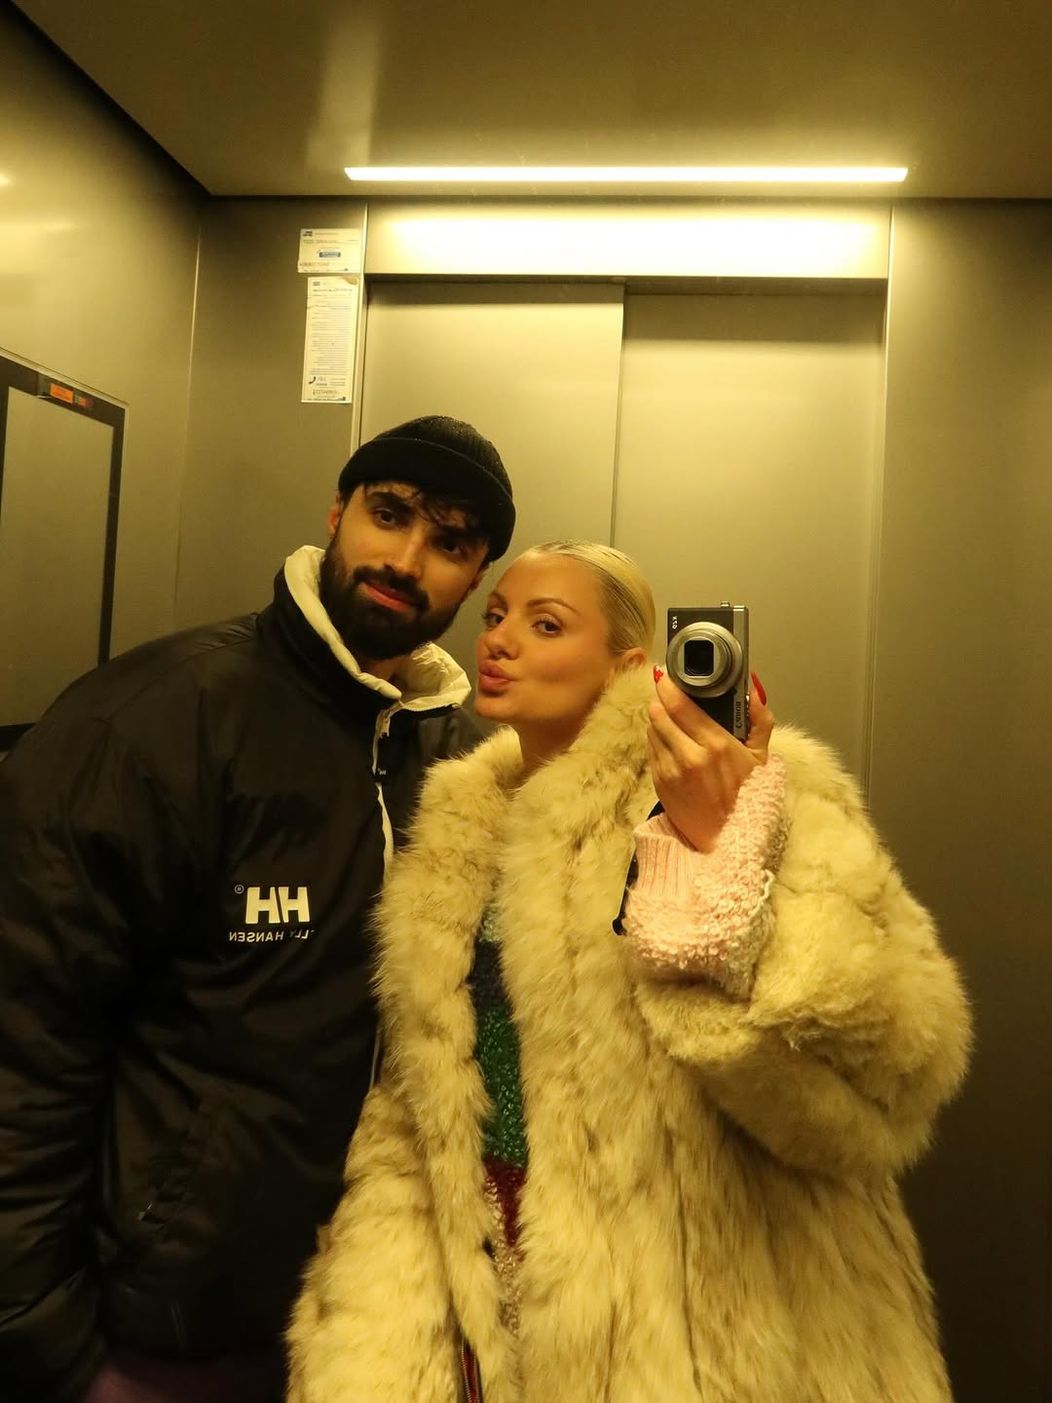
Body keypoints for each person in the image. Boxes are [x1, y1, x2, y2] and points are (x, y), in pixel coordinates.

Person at [288, 540, 972, 1403]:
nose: (500, 640)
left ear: (625, 664)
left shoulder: (756, 784)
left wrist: (722, 854)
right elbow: (423, 1104)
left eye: (546, 624)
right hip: (493, 1289)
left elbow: (899, 1060)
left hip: (716, 1321)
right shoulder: (459, 832)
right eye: (496, 615)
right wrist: (369, 1319)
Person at [0, 415, 516, 1403]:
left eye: (449, 542)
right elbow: (26, 1043)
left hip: (378, 1331)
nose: (407, 560)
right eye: (389, 514)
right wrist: (44, 1340)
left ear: (474, 573)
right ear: (336, 511)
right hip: (163, 1335)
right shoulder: (155, 720)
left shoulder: (459, 761)